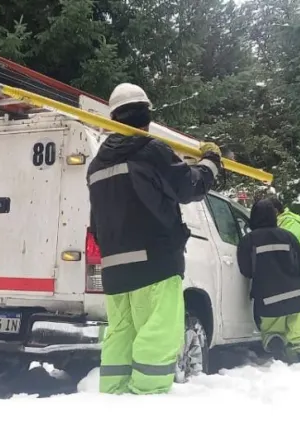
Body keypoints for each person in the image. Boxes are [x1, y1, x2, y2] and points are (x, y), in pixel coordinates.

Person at [87, 83, 224, 395]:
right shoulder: (152, 151)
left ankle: (111, 399)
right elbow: (190, 187)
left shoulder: (97, 164)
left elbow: (97, 219)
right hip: (156, 263)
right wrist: (210, 162)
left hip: (115, 270)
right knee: (158, 333)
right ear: (147, 117)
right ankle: (145, 403)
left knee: (121, 335)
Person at [237, 199, 300, 366]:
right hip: (296, 295)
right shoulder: (288, 236)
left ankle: (279, 362)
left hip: (268, 298)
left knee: (273, 332)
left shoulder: (248, 240)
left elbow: (246, 271)